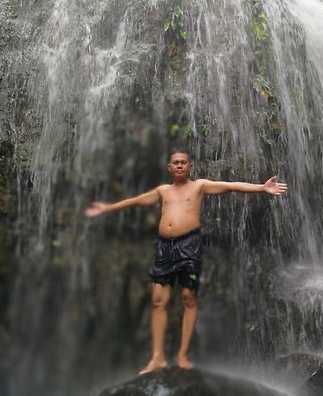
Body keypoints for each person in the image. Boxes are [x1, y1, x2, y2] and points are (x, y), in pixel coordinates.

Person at [85, 151, 288, 374]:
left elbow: (231, 185)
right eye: (176, 163)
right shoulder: (163, 191)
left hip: (189, 245)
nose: (180, 166)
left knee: (188, 298)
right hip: (164, 248)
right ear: (169, 168)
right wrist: (107, 208)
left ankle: (182, 355)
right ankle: (157, 357)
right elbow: (135, 201)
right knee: (157, 301)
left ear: (190, 166)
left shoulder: (200, 186)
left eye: (183, 163)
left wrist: (261, 187)